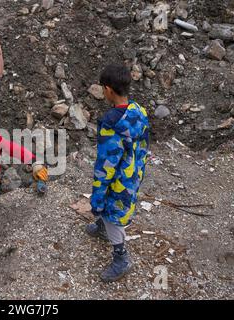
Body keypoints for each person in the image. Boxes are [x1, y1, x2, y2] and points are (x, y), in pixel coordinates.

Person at [85, 64, 150, 282]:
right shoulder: (139, 111)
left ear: (109, 89)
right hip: (134, 172)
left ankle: (121, 258)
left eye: (103, 88)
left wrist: (97, 196)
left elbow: (106, 165)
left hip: (119, 180)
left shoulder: (111, 123)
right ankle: (102, 226)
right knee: (114, 209)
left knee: (112, 212)